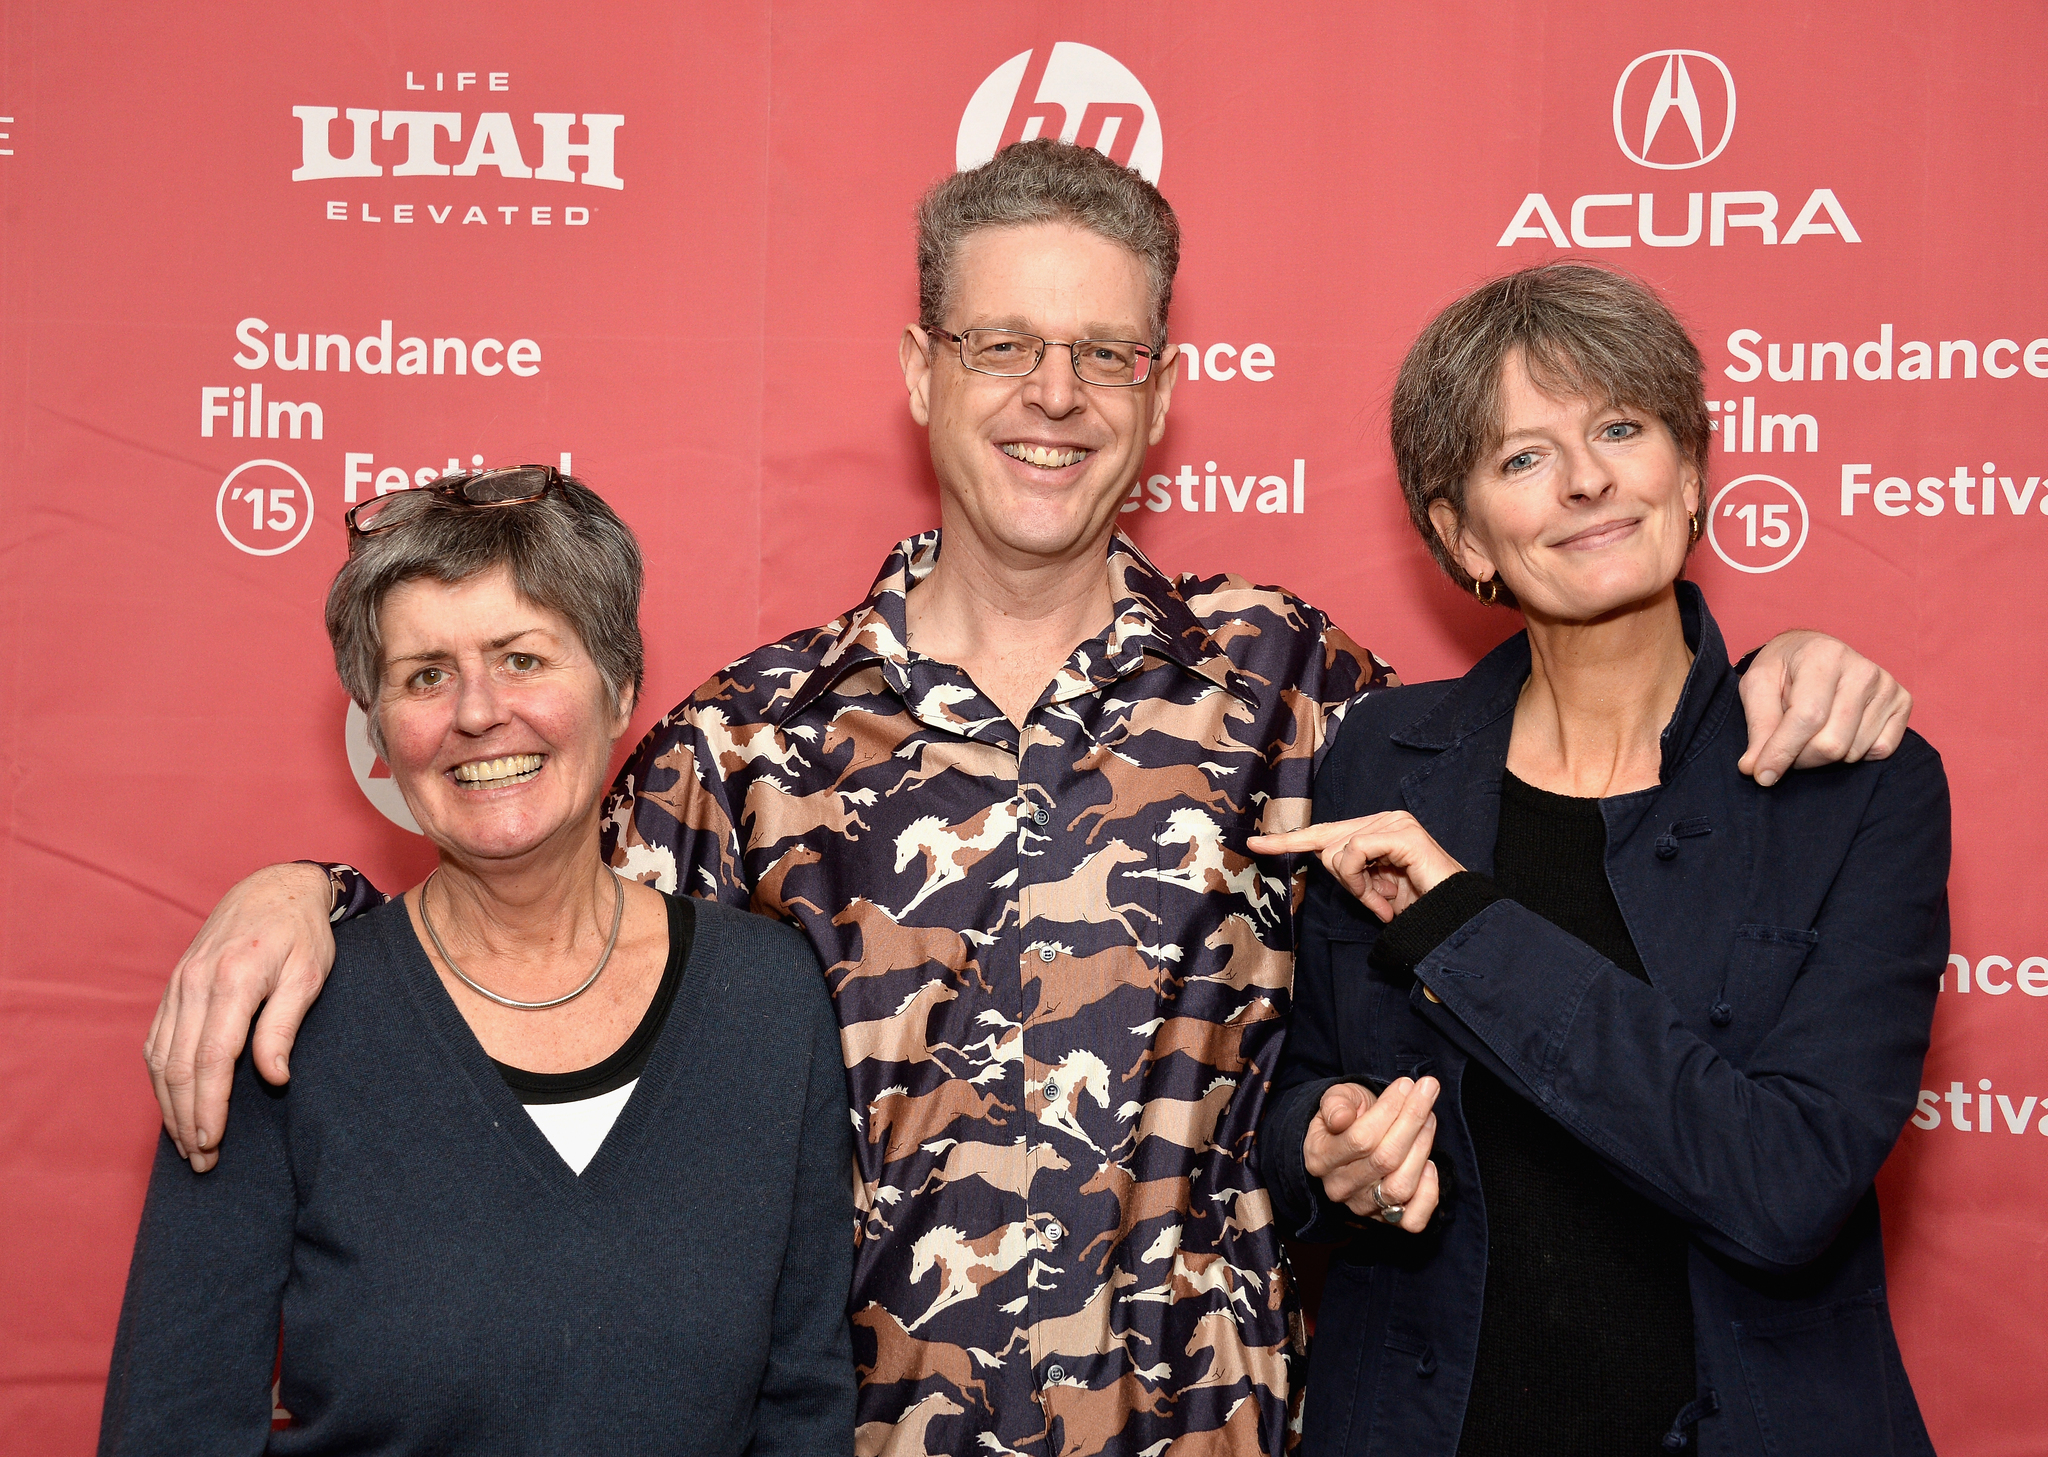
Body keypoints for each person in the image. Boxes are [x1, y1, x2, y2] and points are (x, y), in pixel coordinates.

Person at [142, 145, 1912, 1455]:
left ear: (1158, 394)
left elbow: (1564, 769)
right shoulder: (753, 733)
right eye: (1000, 347)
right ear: (922, 374)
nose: (1050, 396)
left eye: (1101, 354)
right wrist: (316, 892)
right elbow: (518, 897)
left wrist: (1780, 663)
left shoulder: (1301, 692)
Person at [1251, 263, 1947, 1457]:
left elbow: (1784, 1190)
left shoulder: (1857, 782)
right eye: (1521, 456)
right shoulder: (1378, 754)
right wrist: (1327, 1145)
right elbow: (1300, 1088)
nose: (1584, 480)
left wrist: (1464, 922)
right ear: (1462, 535)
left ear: (1692, 470)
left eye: (1620, 428)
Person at [102, 469, 853, 1455]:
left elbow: (802, 1409)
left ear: (618, 684)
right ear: (378, 731)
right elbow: (172, 1425)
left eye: (521, 657)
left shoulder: (769, 1003)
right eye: (424, 674)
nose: (476, 712)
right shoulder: (279, 1018)